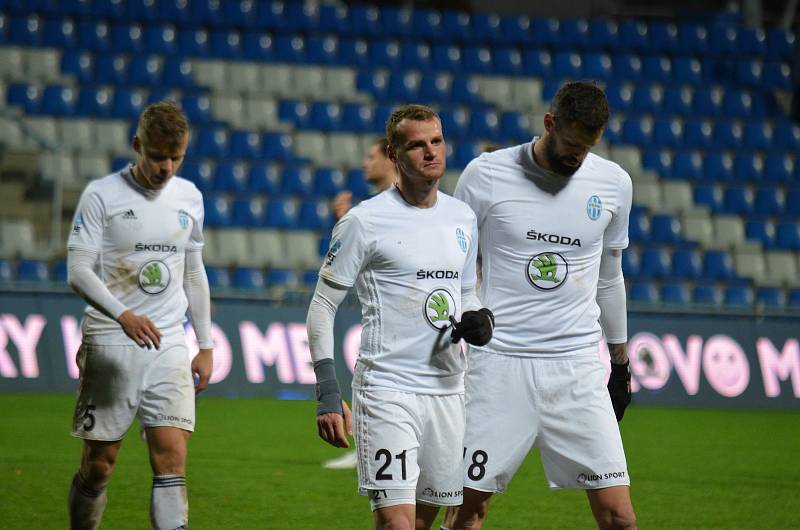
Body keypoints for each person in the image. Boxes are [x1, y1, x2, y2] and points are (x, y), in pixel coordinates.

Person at [444, 81, 637, 530]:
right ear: (549, 124)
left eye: (588, 148)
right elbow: (455, 262)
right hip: (499, 366)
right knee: (469, 510)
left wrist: (621, 364)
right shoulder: (485, 174)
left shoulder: (613, 184)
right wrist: (470, 309)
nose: (577, 157)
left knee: (620, 517)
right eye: (571, 144)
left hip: (576, 369)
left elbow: (610, 276)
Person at [306, 104, 494, 530]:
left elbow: (465, 291)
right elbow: (322, 306)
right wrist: (327, 389)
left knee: (425, 522)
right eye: (416, 145)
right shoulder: (364, 221)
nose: (430, 153)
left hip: (448, 390)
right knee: (397, 524)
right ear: (394, 155)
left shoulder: (461, 216)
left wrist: (478, 317)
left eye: (436, 141)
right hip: (388, 388)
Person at [66, 100, 213, 530]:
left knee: (171, 458)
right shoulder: (102, 195)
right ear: (137, 146)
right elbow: (77, 271)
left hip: (168, 340)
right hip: (112, 339)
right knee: (100, 463)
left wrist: (204, 344)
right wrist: (122, 314)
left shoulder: (190, 197)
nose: (167, 167)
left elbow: (194, 271)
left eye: (176, 157)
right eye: (157, 156)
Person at [322, 136, 400, 471]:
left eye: (372, 157)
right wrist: (342, 225)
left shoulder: (413, 208)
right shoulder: (368, 214)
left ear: (391, 158)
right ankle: (370, 451)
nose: (365, 163)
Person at [331, 136, 400, 220]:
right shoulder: (371, 205)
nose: (364, 164)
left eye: (371, 158)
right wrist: (345, 220)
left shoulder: (411, 200)